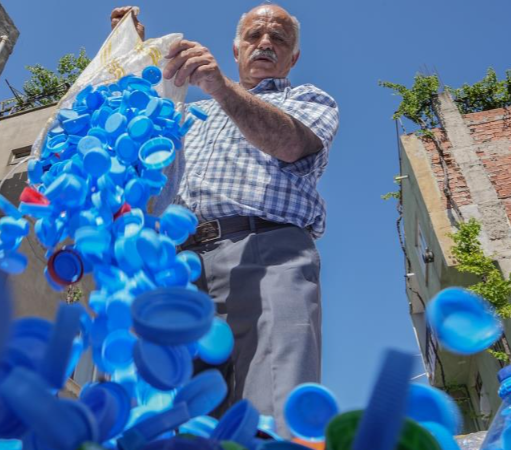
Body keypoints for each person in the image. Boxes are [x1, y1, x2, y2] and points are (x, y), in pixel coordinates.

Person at [110, 4, 339, 435]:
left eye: (279, 39)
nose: (266, 43)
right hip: (180, 267)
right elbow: (142, 161)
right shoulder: (190, 117)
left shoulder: (307, 100)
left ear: (294, 58)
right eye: (254, 36)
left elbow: (291, 143)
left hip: (268, 254)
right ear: (236, 49)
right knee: (178, 414)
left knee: (271, 409)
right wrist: (133, 54)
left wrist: (220, 87)